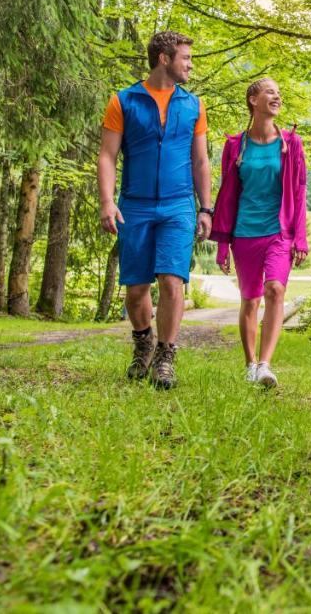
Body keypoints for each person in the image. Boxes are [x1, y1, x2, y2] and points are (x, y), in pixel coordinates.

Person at [97, 31, 212, 390]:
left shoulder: (193, 105)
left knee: (171, 280)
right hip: (135, 205)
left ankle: (165, 355)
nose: (190, 64)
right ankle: (143, 341)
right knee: (136, 288)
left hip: (179, 205)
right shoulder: (123, 101)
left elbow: (200, 160)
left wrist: (205, 208)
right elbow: (107, 156)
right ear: (164, 58)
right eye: (185, 58)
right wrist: (107, 201)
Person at [210, 77, 308, 389]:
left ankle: (266, 364)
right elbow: (227, 194)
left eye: (279, 93)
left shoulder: (291, 144)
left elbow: (300, 190)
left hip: (278, 232)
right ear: (253, 100)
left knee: (275, 290)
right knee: (250, 300)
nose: (277, 97)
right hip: (244, 233)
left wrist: (300, 238)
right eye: (270, 92)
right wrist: (223, 244)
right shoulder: (236, 146)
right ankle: (250, 364)